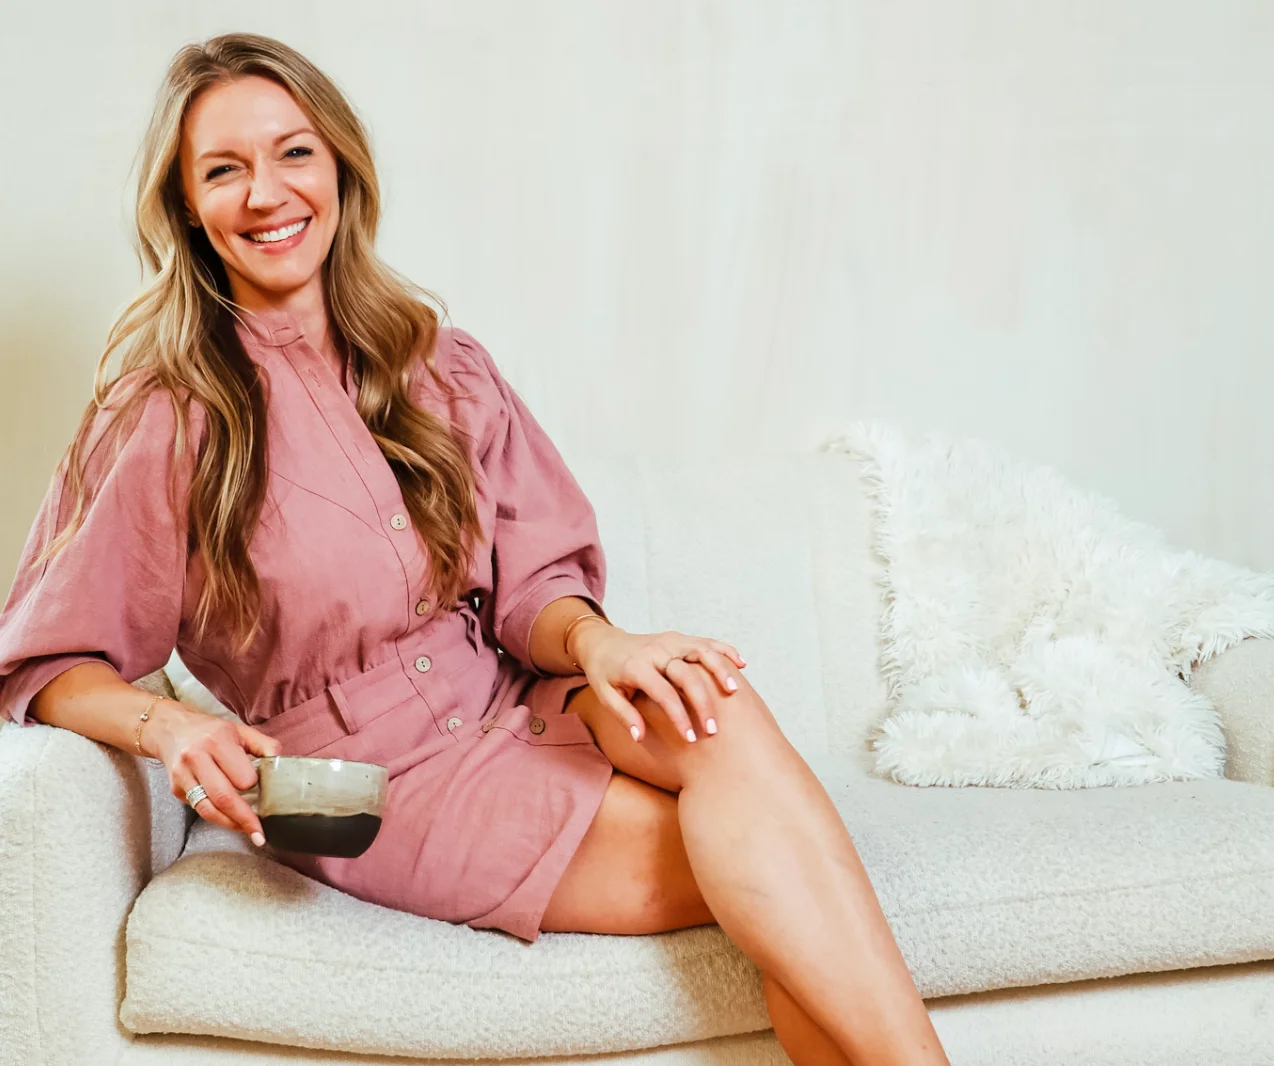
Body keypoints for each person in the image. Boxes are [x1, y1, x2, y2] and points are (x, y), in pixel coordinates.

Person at [0, 33, 949, 1066]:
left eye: (293, 153)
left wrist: (598, 646)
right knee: (783, 873)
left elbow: (528, 588)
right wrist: (168, 728)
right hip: (371, 786)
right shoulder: (165, 416)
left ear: (341, 168)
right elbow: (42, 657)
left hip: (514, 701)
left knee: (715, 720)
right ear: (186, 206)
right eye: (223, 170)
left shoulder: (435, 364)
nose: (266, 193)